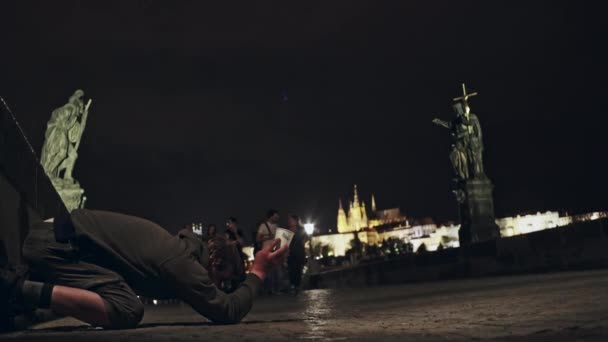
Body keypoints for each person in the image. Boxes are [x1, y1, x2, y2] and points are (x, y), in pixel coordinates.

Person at [0, 209, 288, 331]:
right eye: (221, 282)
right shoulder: (182, 261)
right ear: (215, 264)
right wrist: (259, 271)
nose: (216, 288)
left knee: (113, 294)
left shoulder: (176, 248)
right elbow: (227, 312)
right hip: (55, 245)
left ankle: (17, 299)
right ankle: (14, 287)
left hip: (56, 241)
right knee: (127, 309)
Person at [256, 209, 280, 294]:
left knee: (276, 271)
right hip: (266, 251)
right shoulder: (263, 225)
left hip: (275, 251)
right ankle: (268, 290)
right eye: (275, 216)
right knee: (268, 271)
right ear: (271, 216)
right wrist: (269, 237)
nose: (277, 218)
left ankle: (275, 289)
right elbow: (258, 239)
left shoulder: (276, 226)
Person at [286, 214, 306, 295]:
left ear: (295, 221)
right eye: (289, 220)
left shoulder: (301, 230)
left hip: (299, 251)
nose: (289, 221)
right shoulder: (287, 230)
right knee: (291, 269)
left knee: (298, 269)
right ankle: (293, 285)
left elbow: (304, 240)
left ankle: (297, 285)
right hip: (290, 252)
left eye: (291, 220)